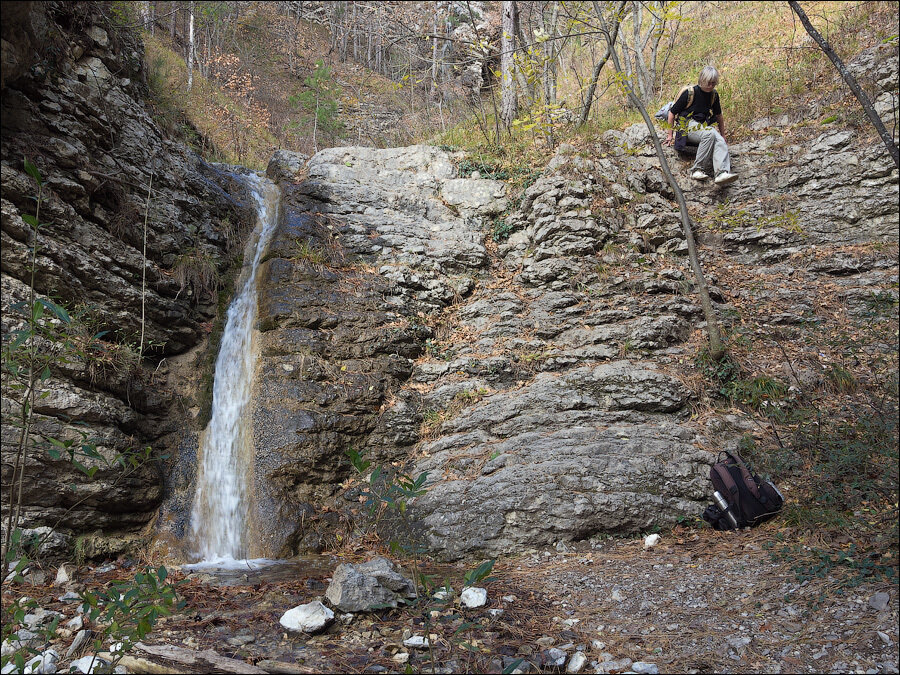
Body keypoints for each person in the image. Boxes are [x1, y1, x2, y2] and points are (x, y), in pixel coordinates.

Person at [664, 66, 738, 186]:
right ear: (702, 80)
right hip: (686, 126)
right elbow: (672, 113)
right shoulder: (690, 93)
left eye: (713, 83)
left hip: (702, 126)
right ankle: (697, 169)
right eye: (709, 82)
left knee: (718, 139)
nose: (711, 85)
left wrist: (723, 135)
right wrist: (670, 135)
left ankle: (721, 173)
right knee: (709, 133)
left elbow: (719, 116)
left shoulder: (714, 95)